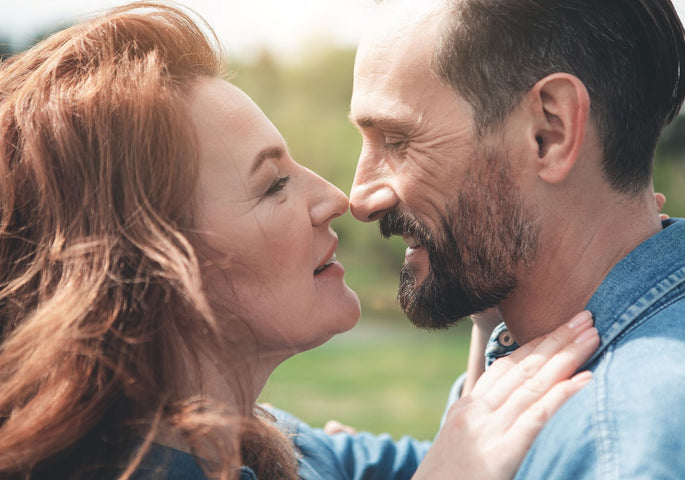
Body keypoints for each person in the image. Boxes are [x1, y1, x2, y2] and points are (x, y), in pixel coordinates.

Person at [0, 2, 601, 479]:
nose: (337, 200)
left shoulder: (278, 447)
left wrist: (484, 299)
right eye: (273, 185)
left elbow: (473, 447)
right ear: (147, 267)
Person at [349, 0, 685, 477]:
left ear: (550, 131)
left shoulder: (624, 448)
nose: (359, 198)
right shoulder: (593, 401)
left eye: (398, 141)